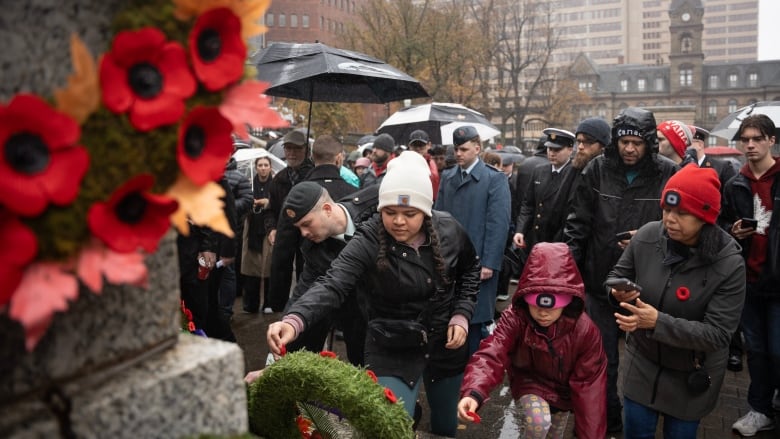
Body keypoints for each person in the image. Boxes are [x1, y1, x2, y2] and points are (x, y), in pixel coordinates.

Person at [266, 151, 480, 437]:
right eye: (390, 212)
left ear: (427, 211)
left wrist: (462, 314)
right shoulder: (369, 238)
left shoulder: (450, 230)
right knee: (387, 424)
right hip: (391, 342)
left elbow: (470, 271)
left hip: (445, 342)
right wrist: (293, 321)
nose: (399, 222)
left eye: (410, 213)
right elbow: (332, 283)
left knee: (444, 424)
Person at [606, 164, 746, 438]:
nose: (670, 219)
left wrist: (657, 321)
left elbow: (718, 334)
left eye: (682, 213)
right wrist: (616, 293)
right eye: (666, 209)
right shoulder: (647, 235)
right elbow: (615, 276)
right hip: (642, 364)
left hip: (690, 373)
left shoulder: (729, 264)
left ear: (705, 217)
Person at [564, 107, 677, 432]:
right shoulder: (597, 169)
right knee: (601, 359)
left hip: (650, 285)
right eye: (625, 142)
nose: (630, 149)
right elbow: (578, 223)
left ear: (649, 144)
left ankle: (645, 421)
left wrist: (649, 239)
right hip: (601, 281)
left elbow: (681, 224)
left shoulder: (667, 172)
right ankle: (604, 420)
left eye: (637, 143)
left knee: (648, 361)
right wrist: (572, 272)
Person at [458, 242, 607, 439]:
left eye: (552, 307)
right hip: (530, 381)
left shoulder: (585, 331)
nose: (543, 314)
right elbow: (492, 351)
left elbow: (590, 389)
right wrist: (474, 391)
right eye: (536, 306)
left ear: (568, 300)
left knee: (555, 432)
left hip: (565, 393)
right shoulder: (516, 317)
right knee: (539, 423)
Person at [278, 181, 379, 366]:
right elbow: (305, 291)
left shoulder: (376, 203)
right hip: (358, 326)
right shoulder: (313, 249)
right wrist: (287, 326)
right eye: (298, 227)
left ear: (326, 209)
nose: (304, 233)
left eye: (307, 224)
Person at [723, 114, 780, 437]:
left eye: (757, 138)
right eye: (744, 139)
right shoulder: (736, 184)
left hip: (778, 280)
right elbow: (720, 226)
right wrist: (731, 231)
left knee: (777, 349)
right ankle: (760, 408)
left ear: (771, 140)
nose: (750, 145)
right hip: (749, 281)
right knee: (756, 351)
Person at [434, 125, 511, 355]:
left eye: (464, 149)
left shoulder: (494, 179)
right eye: (456, 149)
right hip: (451, 261)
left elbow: (498, 224)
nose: (458, 154)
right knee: (451, 315)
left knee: (475, 323)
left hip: (479, 262)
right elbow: (438, 220)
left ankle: (474, 379)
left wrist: (489, 263)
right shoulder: (448, 178)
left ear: (477, 148)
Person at [263, 128, 314, 312]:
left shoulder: (313, 176)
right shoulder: (279, 179)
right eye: (288, 148)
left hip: (309, 237)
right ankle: (280, 307)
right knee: (281, 272)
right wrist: (272, 229)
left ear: (306, 151)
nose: (291, 153)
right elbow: (270, 210)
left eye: (297, 149)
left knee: (306, 274)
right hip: (284, 238)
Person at [546, 117, 610, 243]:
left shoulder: (608, 175)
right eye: (579, 141)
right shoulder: (573, 170)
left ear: (603, 145)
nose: (580, 147)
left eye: (587, 142)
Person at [512, 128, 575, 251]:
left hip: (558, 243)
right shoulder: (539, 170)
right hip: (535, 240)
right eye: (549, 149)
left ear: (570, 150)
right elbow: (528, 204)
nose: (552, 153)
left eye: (557, 149)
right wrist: (520, 230)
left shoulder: (574, 174)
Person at [241, 156, 274, 314]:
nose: (262, 168)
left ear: (270, 167)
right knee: (251, 268)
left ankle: (268, 302)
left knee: (269, 267)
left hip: (268, 229)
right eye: (260, 165)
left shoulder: (275, 186)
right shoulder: (249, 184)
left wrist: (267, 202)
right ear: (256, 167)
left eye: (265, 165)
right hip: (253, 228)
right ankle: (251, 304)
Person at [408, 129, 441, 198]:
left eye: (421, 145)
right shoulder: (402, 163)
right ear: (409, 146)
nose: (418, 148)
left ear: (429, 145)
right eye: (414, 145)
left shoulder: (432, 163)